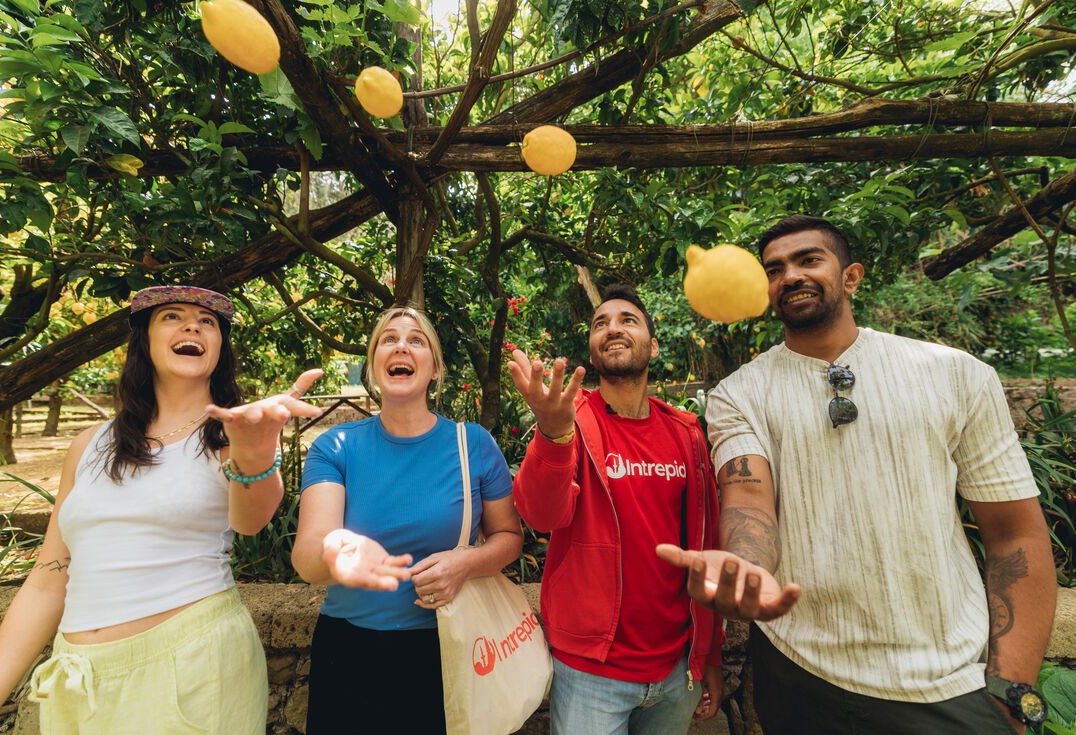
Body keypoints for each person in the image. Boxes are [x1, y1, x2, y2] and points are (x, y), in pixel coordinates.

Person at [658, 215, 1056, 734]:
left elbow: (1015, 532)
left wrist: (1012, 687)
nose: (791, 275)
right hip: (800, 674)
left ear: (851, 277)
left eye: (809, 259)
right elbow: (748, 494)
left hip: (949, 683)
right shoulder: (740, 393)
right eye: (775, 269)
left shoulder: (956, 374)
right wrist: (747, 564)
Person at [0, 285, 323, 734]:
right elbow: (47, 582)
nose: (192, 325)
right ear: (144, 341)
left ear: (218, 347)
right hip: (78, 679)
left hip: (193, 667)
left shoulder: (227, 440)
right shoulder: (88, 446)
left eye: (208, 321)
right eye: (172, 316)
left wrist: (255, 453)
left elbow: (251, 520)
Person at [292, 306, 524, 735]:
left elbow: (510, 537)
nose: (401, 345)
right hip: (349, 652)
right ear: (374, 365)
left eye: (416, 339)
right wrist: (338, 557)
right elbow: (308, 556)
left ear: (435, 369)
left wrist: (465, 564)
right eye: (388, 339)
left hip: (447, 649)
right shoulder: (335, 446)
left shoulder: (472, 443)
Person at [509, 283, 725, 735]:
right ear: (591, 346)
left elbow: (708, 547)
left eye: (628, 320)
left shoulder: (685, 432)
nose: (613, 328)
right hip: (592, 672)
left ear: (653, 343)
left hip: (676, 668)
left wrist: (710, 654)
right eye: (600, 323)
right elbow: (541, 516)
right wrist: (551, 433)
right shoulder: (571, 421)